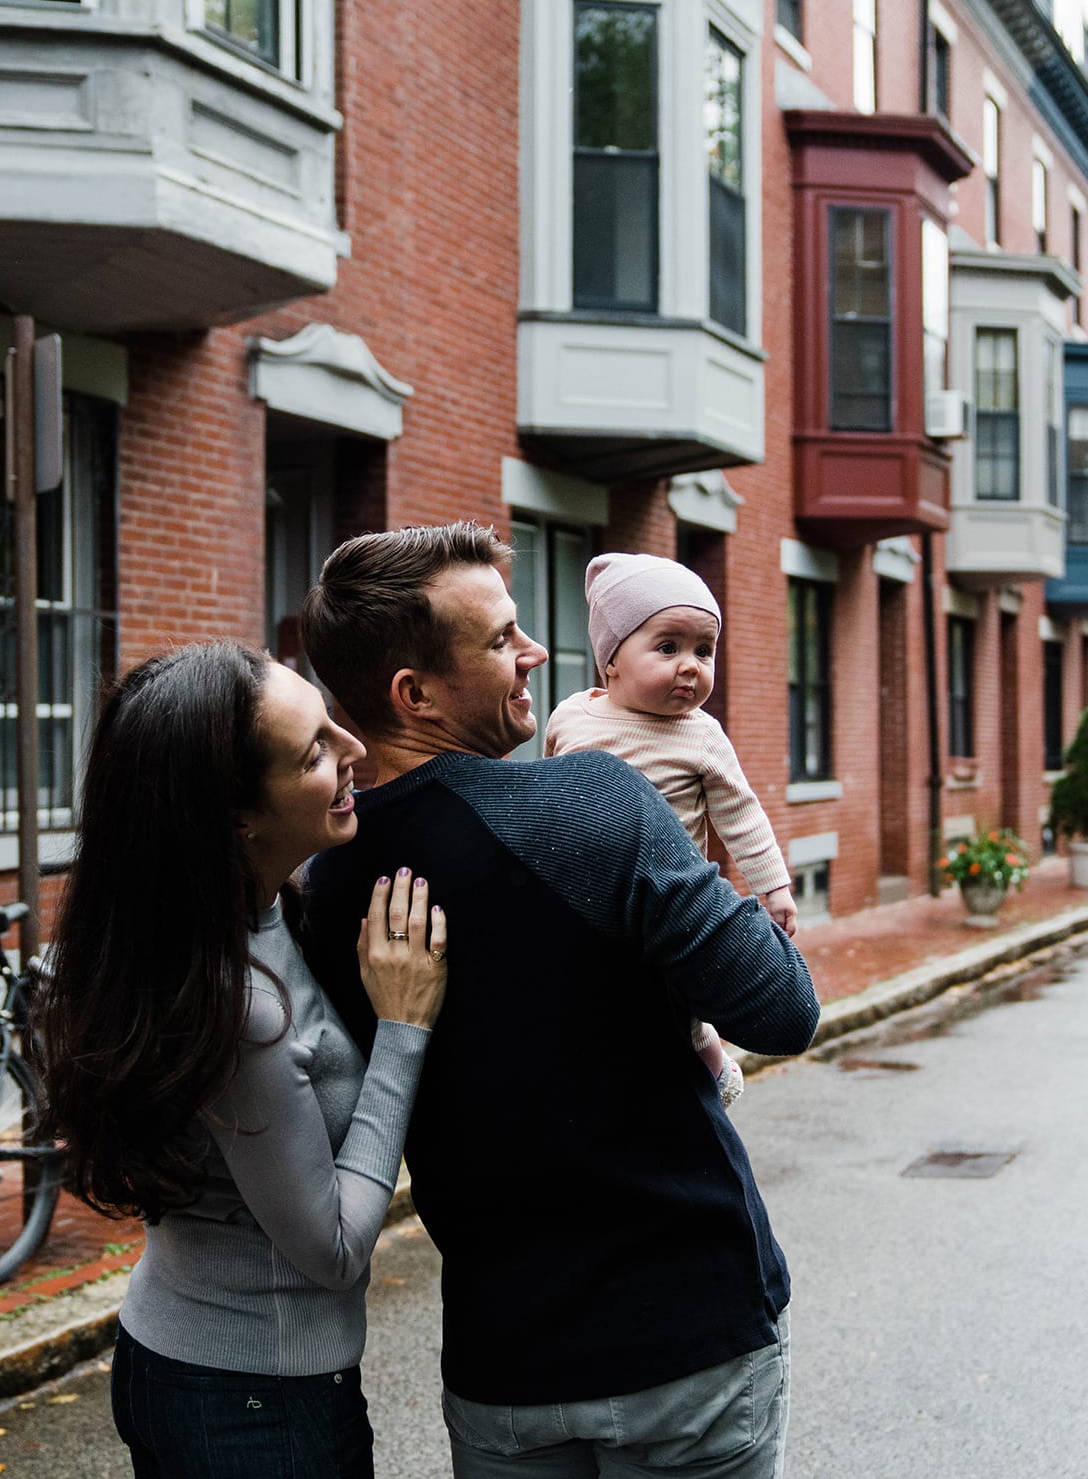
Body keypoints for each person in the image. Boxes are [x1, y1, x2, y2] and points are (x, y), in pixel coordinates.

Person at [297, 522, 820, 1478]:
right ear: (411, 694)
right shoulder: (597, 801)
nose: (535, 649)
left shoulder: (322, 883)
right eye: (498, 639)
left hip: (509, 1364)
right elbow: (783, 1007)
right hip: (688, 1336)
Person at [31, 641, 448, 1479]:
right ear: (237, 818)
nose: (354, 750)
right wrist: (405, 1027)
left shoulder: (196, 932)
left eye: (332, 721)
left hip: (183, 1359)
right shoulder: (238, 1010)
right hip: (256, 1403)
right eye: (315, 752)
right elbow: (332, 1248)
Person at [543, 551, 798, 1107]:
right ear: (610, 659)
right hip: (586, 893)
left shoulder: (700, 735)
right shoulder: (570, 719)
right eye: (668, 647)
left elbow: (741, 813)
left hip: (669, 895)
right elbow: (549, 795)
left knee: (675, 992)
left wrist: (772, 887)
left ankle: (710, 1059)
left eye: (704, 651)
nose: (691, 665)